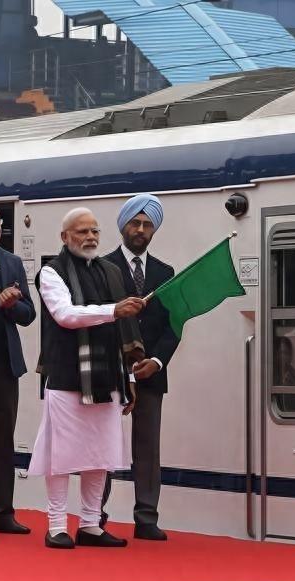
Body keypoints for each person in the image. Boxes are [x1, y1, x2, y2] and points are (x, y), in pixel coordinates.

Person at [31, 207, 146, 549]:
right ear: (65, 237)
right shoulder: (51, 272)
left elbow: (124, 330)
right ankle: (56, 525)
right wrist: (113, 310)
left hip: (108, 376)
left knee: (100, 453)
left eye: (95, 231)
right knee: (61, 455)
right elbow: (65, 315)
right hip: (67, 376)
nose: (91, 237)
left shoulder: (111, 271)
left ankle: (90, 525)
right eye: (82, 232)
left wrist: (130, 379)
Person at [100, 194, 178, 540]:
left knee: (148, 448)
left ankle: (146, 518)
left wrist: (157, 361)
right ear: (124, 226)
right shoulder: (102, 268)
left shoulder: (165, 273)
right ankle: (94, 515)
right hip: (109, 372)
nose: (141, 230)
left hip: (150, 374)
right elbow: (96, 320)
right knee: (103, 444)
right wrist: (122, 363)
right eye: (135, 223)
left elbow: (174, 325)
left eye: (147, 225)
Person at [0, 208, 35, 534]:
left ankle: (2, 513)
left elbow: (28, 314)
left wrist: (12, 305)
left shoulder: (13, 262)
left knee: (3, 439)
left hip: (4, 365)